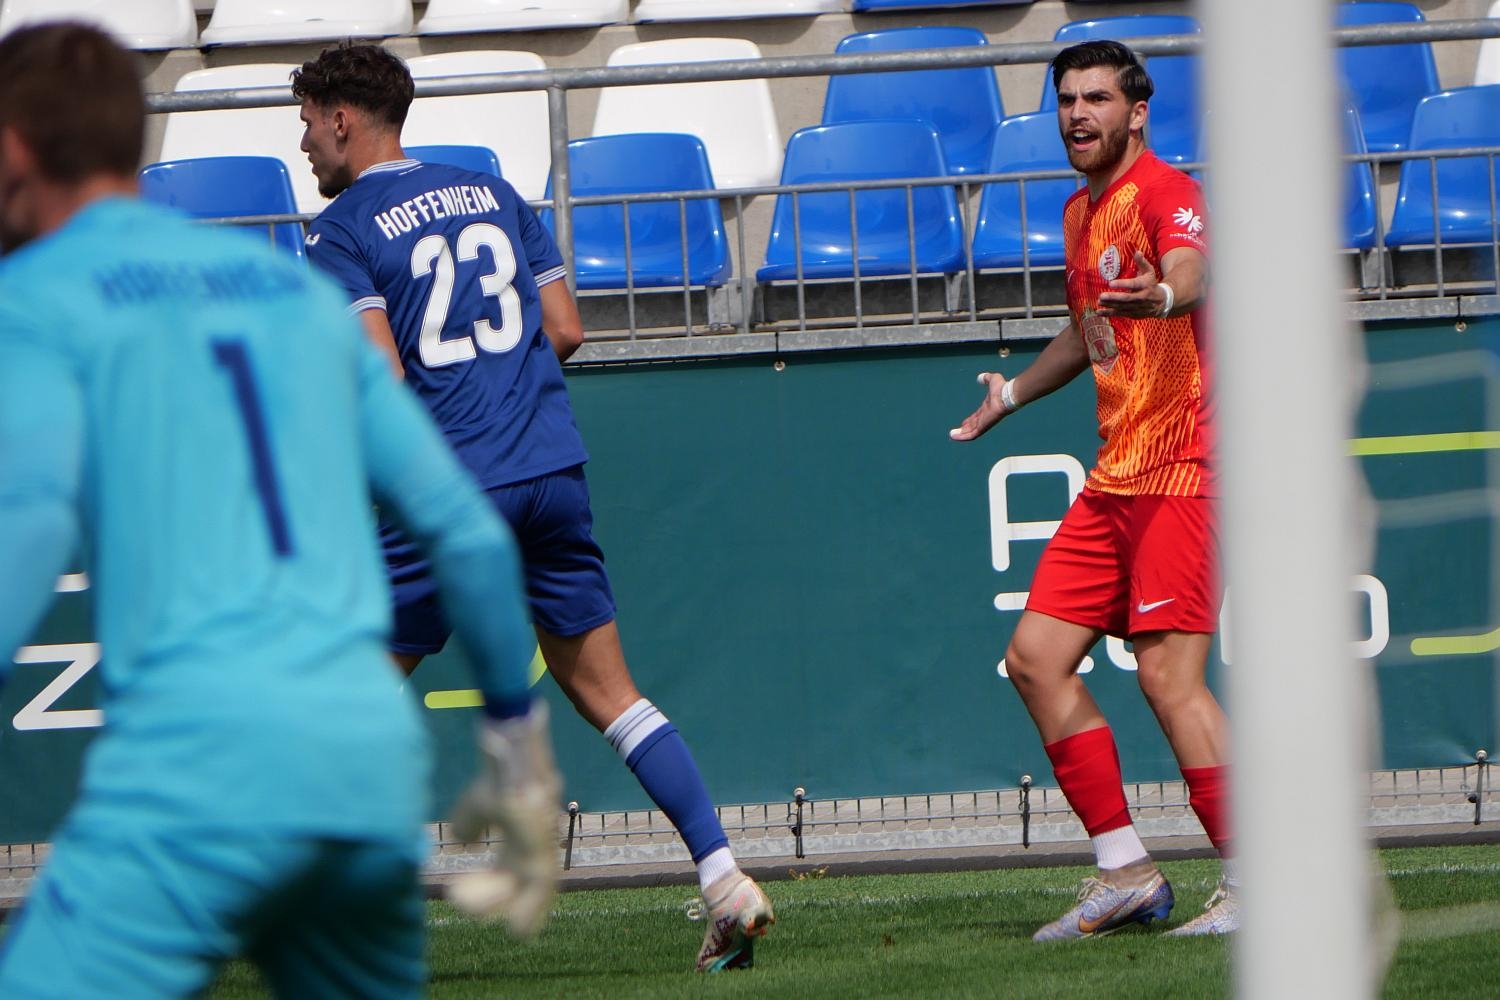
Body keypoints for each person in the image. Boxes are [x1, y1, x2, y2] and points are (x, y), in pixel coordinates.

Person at [0, 23, 562, 998]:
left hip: (200, 764)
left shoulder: (37, 299)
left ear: (14, 148)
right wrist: (516, 747)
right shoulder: (280, 287)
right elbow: (465, 533)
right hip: (364, 768)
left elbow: (29, 527)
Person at [290, 43, 773, 971]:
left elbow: (381, 376)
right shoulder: (496, 193)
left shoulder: (340, 230)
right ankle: (723, 878)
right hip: (549, 473)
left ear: (344, 119)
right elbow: (566, 330)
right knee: (612, 695)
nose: (306, 142)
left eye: (309, 122)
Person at [950, 40, 1234, 939]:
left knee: (1167, 677)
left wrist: (1164, 296)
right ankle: (1127, 873)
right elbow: (1089, 331)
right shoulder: (1082, 211)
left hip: (1184, 469)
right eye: (1068, 100)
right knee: (1034, 661)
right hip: (1117, 476)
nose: (1079, 115)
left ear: (1137, 112)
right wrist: (1017, 394)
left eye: (1098, 100)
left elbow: (1188, 273)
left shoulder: (1167, 194)